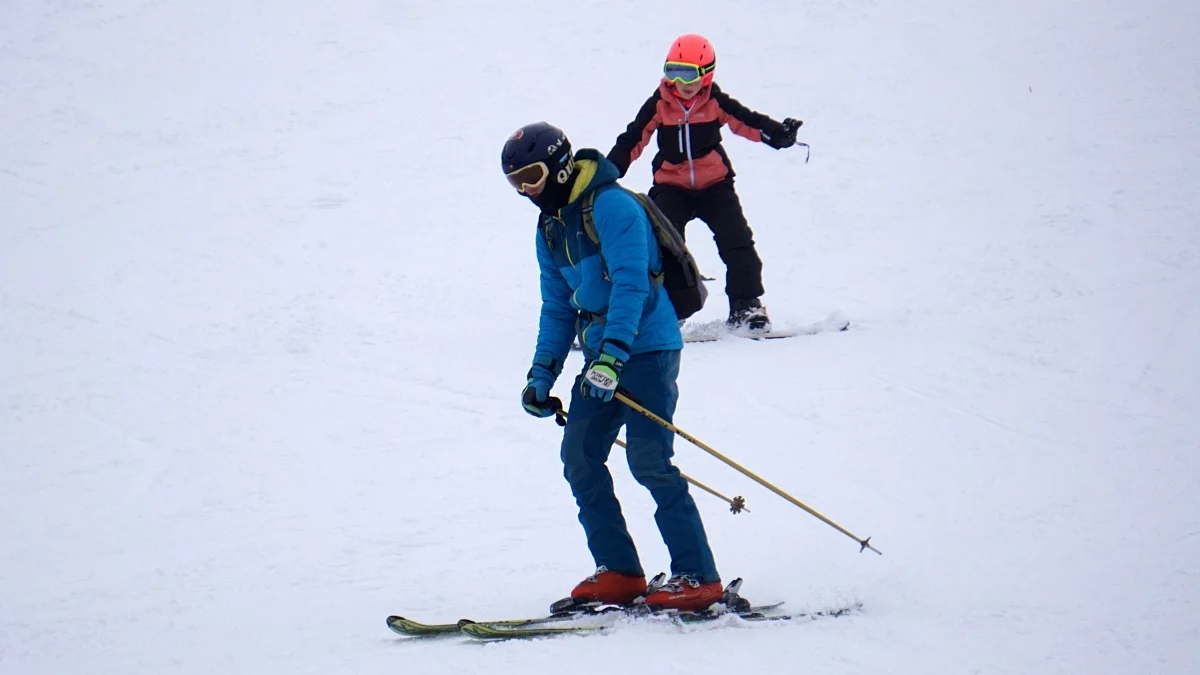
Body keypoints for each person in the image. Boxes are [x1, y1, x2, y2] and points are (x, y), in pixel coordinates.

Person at [502, 121, 723, 611]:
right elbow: (557, 307)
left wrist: (611, 358)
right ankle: (620, 571)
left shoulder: (613, 206)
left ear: (560, 165)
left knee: (648, 460)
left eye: (533, 176)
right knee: (580, 458)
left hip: (647, 349)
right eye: (517, 183)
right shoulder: (551, 229)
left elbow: (632, 286)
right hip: (604, 355)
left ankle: (698, 576)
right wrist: (541, 376)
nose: (528, 190)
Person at [607, 34, 803, 333]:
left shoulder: (714, 102)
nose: (680, 82)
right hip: (671, 187)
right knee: (662, 248)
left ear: (706, 73)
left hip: (715, 186)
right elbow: (633, 138)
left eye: (688, 74)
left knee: (737, 240)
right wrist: (608, 171)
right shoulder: (660, 104)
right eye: (673, 71)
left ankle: (746, 306)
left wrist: (778, 135)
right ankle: (668, 310)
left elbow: (747, 121)